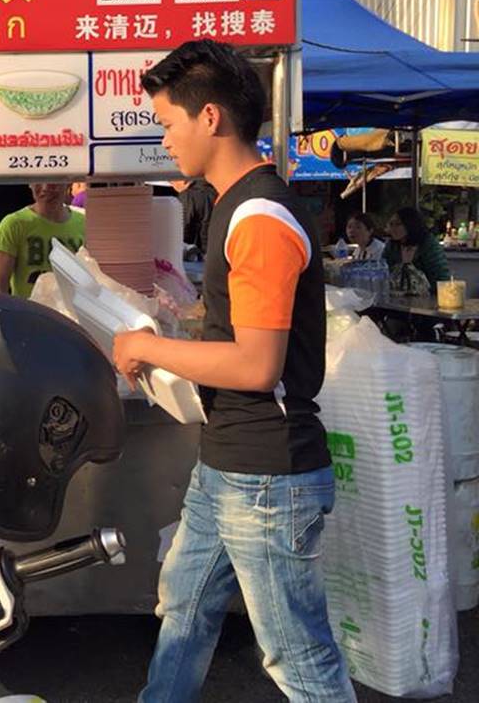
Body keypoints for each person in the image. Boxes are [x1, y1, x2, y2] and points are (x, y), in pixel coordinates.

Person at [110, 40, 354, 702]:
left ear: (210, 118)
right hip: (228, 466)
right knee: (183, 606)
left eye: (166, 123)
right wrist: (183, 327)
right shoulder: (235, 205)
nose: (164, 140)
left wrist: (147, 346)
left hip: (267, 478)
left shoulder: (259, 216)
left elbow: (255, 363)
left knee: (299, 661)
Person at [0, 183, 86, 298]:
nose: (45, 188)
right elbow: (0, 284)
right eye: (38, 180)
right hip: (29, 313)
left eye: (53, 180)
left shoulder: (84, 223)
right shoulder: (14, 224)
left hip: (71, 313)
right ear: (30, 183)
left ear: (67, 182)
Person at [383, 207, 449, 283]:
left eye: (398, 224)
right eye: (391, 224)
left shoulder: (428, 245)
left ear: (410, 225)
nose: (393, 228)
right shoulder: (391, 246)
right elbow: (384, 270)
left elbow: (442, 277)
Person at [171, 177, 216, 257]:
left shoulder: (187, 196)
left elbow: (182, 230)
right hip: (209, 254)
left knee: (181, 234)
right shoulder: (216, 195)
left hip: (191, 195)